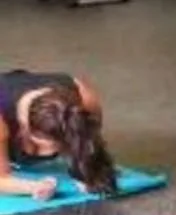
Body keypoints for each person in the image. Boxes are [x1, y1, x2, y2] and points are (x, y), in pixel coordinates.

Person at [0, 70, 117, 200]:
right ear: (24, 126)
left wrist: (90, 173)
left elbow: (91, 146)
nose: (48, 153)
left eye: (59, 146)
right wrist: (34, 187)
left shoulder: (85, 104)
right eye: (38, 145)